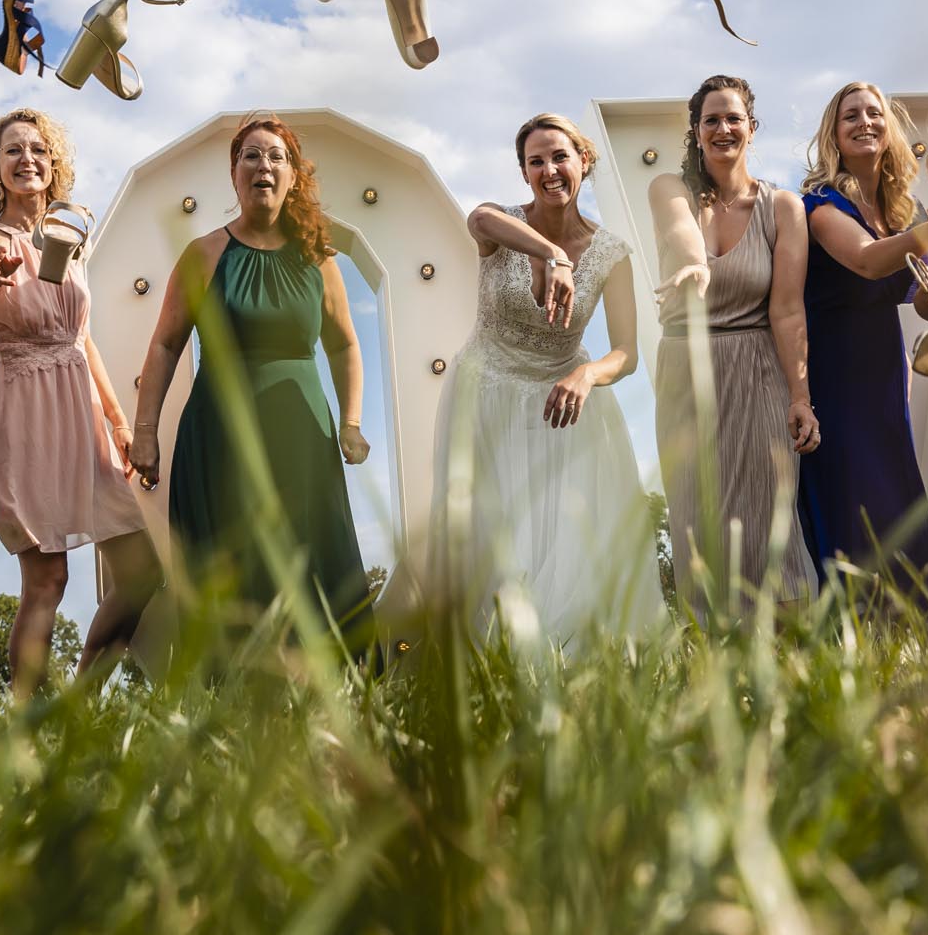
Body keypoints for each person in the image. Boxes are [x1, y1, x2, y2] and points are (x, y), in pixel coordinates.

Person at [129, 115, 375, 650]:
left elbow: (345, 344)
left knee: (310, 555)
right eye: (252, 156)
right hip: (219, 436)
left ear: (292, 177)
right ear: (234, 173)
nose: (264, 166)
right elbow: (166, 344)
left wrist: (352, 422)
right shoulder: (204, 253)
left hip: (302, 433)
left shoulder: (319, 257)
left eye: (276, 157)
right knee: (228, 563)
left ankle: (326, 699)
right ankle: (232, 705)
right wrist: (144, 430)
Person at [0, 108, 162, 693]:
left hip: (82, 409)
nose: (27, 160)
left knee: (141, 572)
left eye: (38, 150)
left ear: (53, 163)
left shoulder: (71, 240)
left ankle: (75, 707)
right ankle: (26, 727)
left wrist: (119, 423)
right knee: (47, 580)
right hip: (23, 409)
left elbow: (82, 338)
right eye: (13, 151)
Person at [428, 112, 659, 644]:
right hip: (483, 396)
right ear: (524, 172)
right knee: (488, 541)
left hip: (563, 406)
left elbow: (625, 350)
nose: (550, 170)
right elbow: (479, 218)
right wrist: (551, 253)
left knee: (563, 543)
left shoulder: (611, 253)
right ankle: (487, 667)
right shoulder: (500, 228)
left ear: (584, 161)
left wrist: (587, 374)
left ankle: (562, 666)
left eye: (561, 157)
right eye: (536, 162)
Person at [648, 75, 819, 619]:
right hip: (685, 369)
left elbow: (788, 309)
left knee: (772, 519)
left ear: (750, 127)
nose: (723, 129)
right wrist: (694, 260)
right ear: (696, 133)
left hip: (757, 368)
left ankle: (795, 655)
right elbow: (680, 231)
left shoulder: (784, 207)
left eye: (733, 118)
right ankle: (714, 663)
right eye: (711, 121)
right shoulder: (669, 189)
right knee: (697, 519)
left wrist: (800, 397)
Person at [797, 82, 928, 599]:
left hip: (885, 370)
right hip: (832, 369)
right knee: (850, 497)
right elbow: (865, 260)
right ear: (834, 135)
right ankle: (852, 630)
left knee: (896, 498)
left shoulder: (905, 210)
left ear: (890, 128)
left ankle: (916, 631)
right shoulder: (820, 204)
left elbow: (921, 300)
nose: (865, 122)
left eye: (874, 113)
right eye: (851, 116)